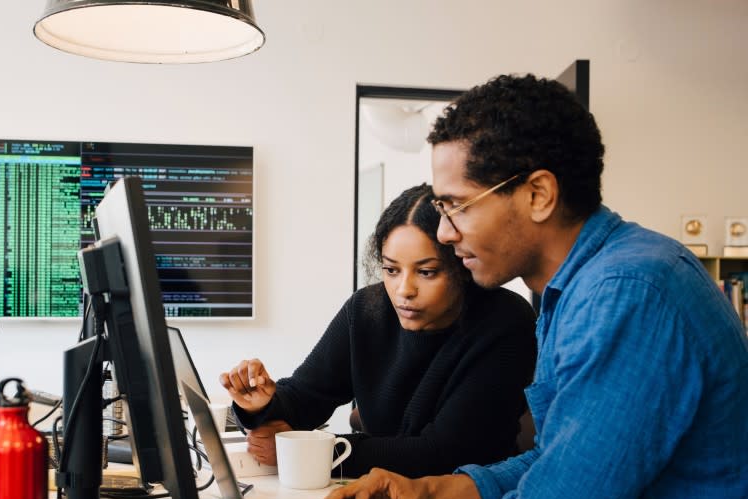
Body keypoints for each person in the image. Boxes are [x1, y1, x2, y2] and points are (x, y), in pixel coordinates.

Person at [308, 74, 748, 499]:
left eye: (455, 207)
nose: (447, 234)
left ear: (538, 194)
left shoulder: (626, 294)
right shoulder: (574, 291)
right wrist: (427, 492)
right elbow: (552, 461)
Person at [220, 183, 537, 479]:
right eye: (391, 269)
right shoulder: (367, 309)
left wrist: (311, 453)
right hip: (383, 495)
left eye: (426, 272)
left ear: (461, 267)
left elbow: (446, 452)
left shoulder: (505, 321)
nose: (404, 290)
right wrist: (260, 405)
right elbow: (307, 395)